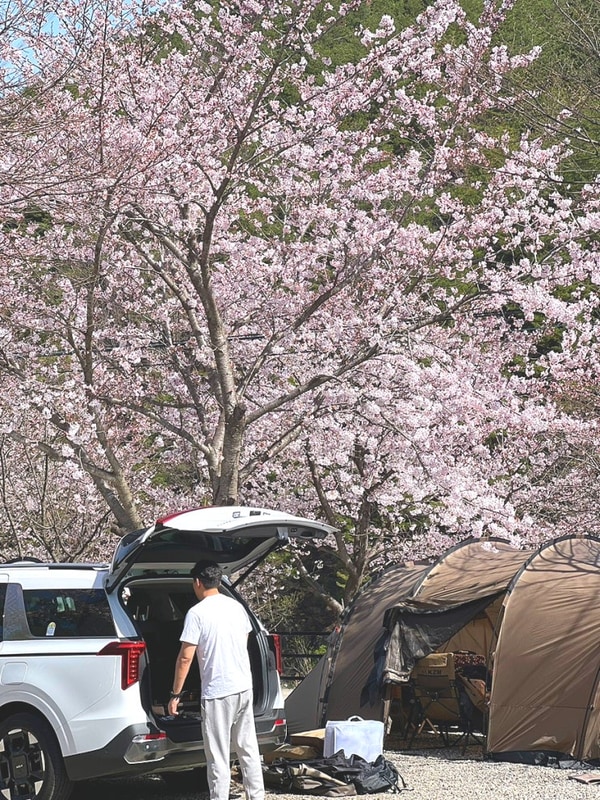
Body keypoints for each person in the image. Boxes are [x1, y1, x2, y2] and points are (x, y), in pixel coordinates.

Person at [168, 560, 265, 800]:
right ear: (218, 581)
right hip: (243, 687)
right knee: (248, 749)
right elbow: (243, 641)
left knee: (218, 755)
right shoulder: (236, 607)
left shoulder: (197, 613)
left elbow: (185, 657)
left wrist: (175, 694)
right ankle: (257, 796)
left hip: (217, 691)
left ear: (198, 582)